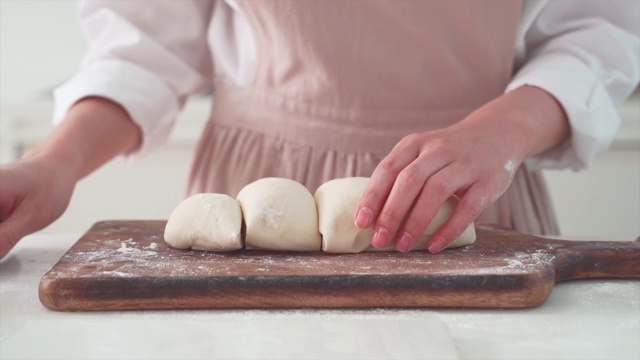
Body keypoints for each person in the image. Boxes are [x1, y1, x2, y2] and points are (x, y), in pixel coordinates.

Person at [0, 0, 638, 258]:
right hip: (253, 195)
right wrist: (54, 163)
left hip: (466, 191)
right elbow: (144, 47)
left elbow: (600, 30)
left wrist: (502, 128)